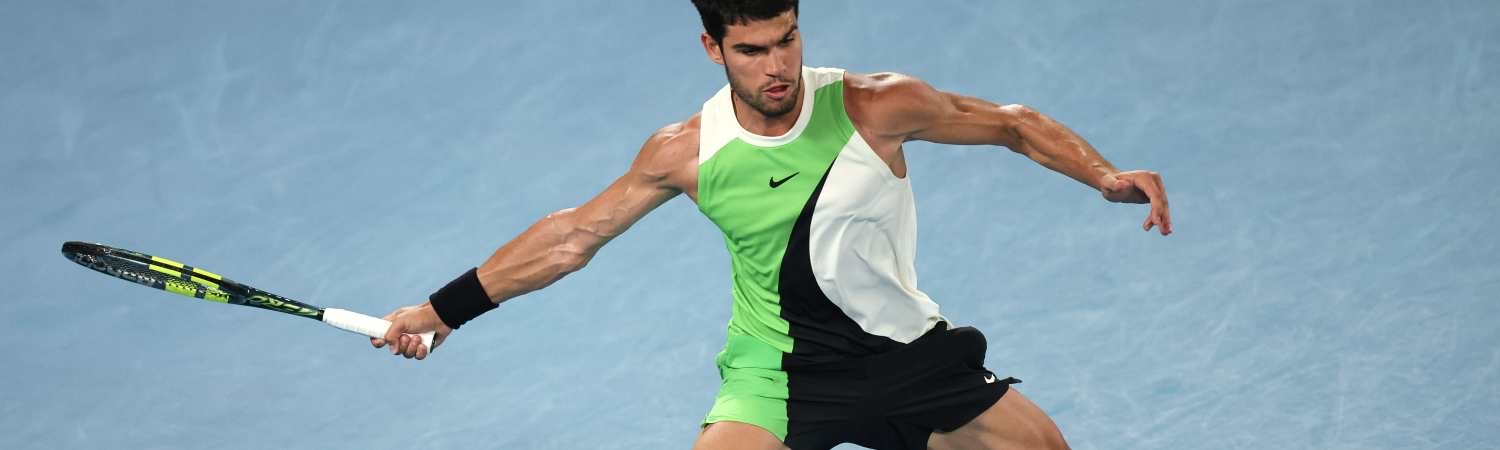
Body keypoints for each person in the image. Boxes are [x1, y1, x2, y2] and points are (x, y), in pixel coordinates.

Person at [372, 1, 1172, 449]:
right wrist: (442, 311)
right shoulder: (685, 152)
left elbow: (1008, 122)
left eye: (788, 38)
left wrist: (1101, 174)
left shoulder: (874, 104)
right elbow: (572, 237)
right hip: (779, 375)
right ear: (712, 47)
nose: (778, 66)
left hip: (907, 355)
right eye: (752, 49)